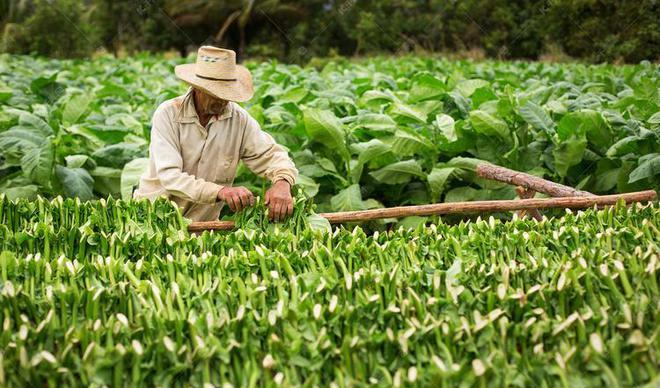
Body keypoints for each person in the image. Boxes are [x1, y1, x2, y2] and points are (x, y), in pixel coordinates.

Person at [134, 46, 297, 222]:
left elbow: (271, 155)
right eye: (215, 93)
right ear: (197, 88)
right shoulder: (168, 114)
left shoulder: (238, 119)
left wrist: (282, 182)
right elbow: (170, 177)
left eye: (227, 93)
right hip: (154, 221)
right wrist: (221, 191)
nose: (223, 100)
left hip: (203, 225)